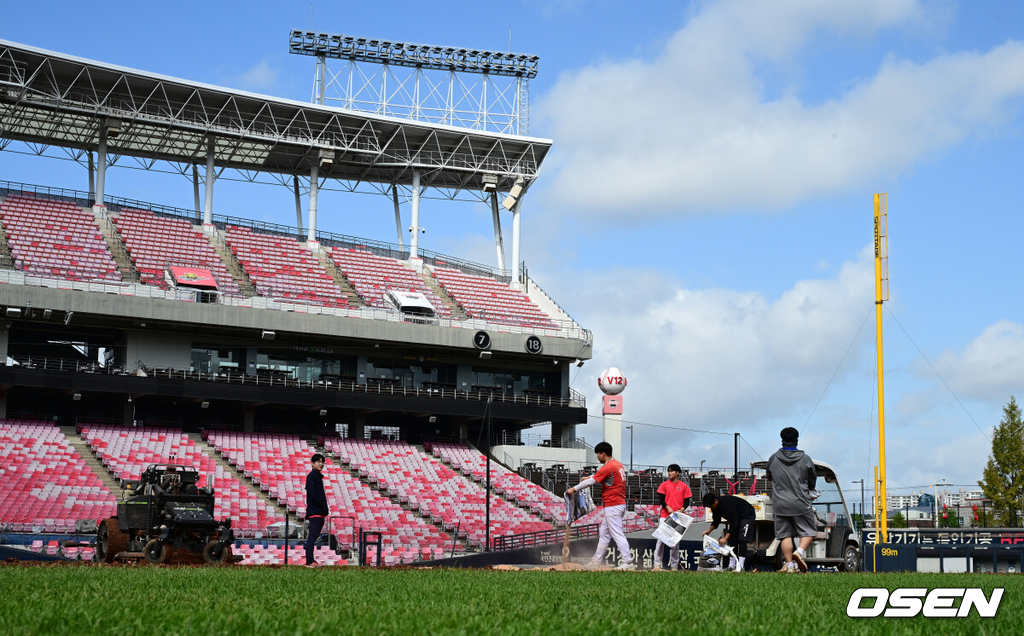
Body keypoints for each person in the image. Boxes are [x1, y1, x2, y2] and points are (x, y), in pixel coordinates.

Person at [566, 441, 636, 570]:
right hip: (617, 504)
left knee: (617, 534)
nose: (597, 457)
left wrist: (573, 489)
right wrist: (589, 477)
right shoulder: (617, 465)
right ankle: (596, 561)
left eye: (598, 454)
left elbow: (593, 481)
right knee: (604, 533)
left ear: (603, 454)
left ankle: (628, 562)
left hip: (613, 505)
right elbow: (600, 476)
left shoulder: (609, 466)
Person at [766, 426, 817, 573]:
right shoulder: (805, 459)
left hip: (780, 503)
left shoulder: (773, 458)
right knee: (808, 532)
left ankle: (789, 565)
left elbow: (769, 476)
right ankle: (799, 552)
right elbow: (812, 479)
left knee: (784, 535)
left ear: (782, 440)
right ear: (797, 441)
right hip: (801, 502)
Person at [701, 492, 756, 572]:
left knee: (742, 539)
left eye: (711, 506)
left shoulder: (727, 504)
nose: (711, 508)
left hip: (747, 515)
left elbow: (734, 523)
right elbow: (716, 521)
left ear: (715, 501)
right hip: (737, 518)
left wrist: (725, 538)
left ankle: (740, 566)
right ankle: (731, 565)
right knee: (732, 540)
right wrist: (708, 531)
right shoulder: (715, 508)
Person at [654, 463, 692, 570]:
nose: (669, 473)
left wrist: (682, 509)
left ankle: (674, 566)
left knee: (675, 542)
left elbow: (687, 502)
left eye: (672, 471)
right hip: (665, 515)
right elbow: (661, 500)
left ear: (678, 473)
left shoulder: (684, 486)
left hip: (678, 517)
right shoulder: (664, 485)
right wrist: (668, 507)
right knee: (660, 540)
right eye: (669, 471)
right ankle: (657, 564)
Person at [304, 453, 329, 567]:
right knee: (312, 536)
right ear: (312, 463)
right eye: (318, 462)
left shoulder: (317, 477)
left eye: (322, 462)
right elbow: (313, 495)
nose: (321, 464)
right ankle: (309, 560)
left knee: (313, 536)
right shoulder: (312, 477)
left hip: (319, 512)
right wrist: (323, 507)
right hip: (316, 512)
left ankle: (310, 559)